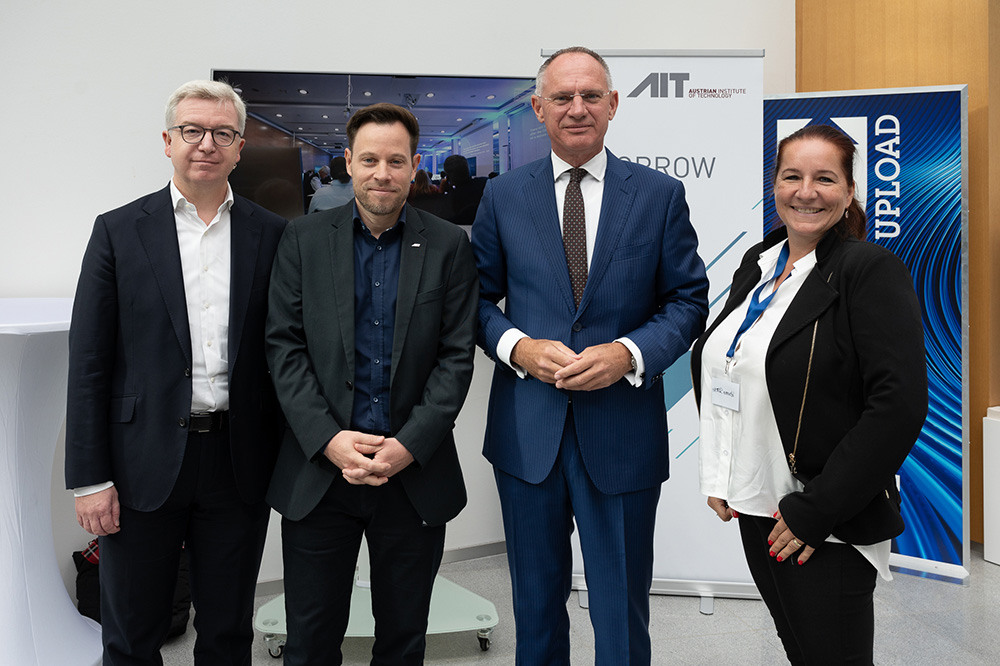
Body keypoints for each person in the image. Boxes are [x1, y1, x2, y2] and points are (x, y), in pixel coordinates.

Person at [471, 46, 709, 665]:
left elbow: (688, 300)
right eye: (562, 97)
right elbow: (473, 300)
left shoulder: (658, 195)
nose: (577, 108)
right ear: (538, 108)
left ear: (613, 104)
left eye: (590, 96)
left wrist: (629, 354)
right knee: (536, 607)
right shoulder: (503, 197)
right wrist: (517, 346)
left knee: (621, 612)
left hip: (622, 435)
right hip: (529, 436)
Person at [65, 80, 287, 665]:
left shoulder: (274, 233)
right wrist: (89, 478)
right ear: (168, 141)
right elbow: (89, 361)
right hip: (140, 461)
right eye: (192, 130)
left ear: (240, 147)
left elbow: (285, 352)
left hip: (237, 462)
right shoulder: (117, 231)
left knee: (226, 631)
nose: (206, 144)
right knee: (133, 633)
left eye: (222, 133)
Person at [691, 124, 928, 665]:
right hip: (757, 508)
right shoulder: (761, 260)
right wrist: (723, 473)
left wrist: (815, 510)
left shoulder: (868, 272)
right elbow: (730, 364)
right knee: (803, 651)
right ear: (774, 185)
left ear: (848, 192)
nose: (806, 191)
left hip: (823, 516)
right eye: (792, 176)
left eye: (825, 178)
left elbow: (899, 405)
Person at [265, 102, 478, 665]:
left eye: (395, 160)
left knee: (404, 639)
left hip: (411, 475)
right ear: (348, 164)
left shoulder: (449, 245)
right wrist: (329, 440)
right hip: (320, 473)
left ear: (414, 168)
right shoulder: (303, 239)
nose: (382, 172)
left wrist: (409, 445)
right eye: (369, 160)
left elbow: (456, 358)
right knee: (309, 640)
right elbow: (283, 348)